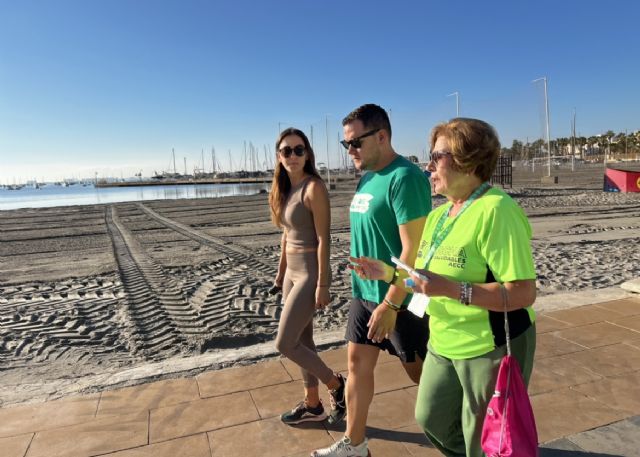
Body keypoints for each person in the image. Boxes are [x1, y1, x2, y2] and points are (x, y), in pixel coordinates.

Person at [351, 118, 537, 457]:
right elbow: (424, 282)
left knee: (484, 436)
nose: (428, 165)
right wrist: (387, 274)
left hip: (488, 344)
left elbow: (523, 293)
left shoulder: (496, 210)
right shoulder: (440, 216)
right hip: (443, 339)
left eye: (437, 156)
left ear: (468, 160)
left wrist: (454, 291)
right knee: (431, 418)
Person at [311, 104, 431, 457]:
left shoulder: (405, 178)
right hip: (364, 292)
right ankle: (356, 444)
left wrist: (392, 304)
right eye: (345, 144)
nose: (349, 151)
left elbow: (414, 251)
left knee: (422, 376)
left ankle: (467, 433)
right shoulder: (367, 176)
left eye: (355, 143)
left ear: (382, 136)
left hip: (401, 299)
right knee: (357, 365)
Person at [269, 127, 346, 426]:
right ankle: (313, 405)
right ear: (279, 156)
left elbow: (325, 239)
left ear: (308, 154)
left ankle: (336, 383)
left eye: (298, 150)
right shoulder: (286, 189)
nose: (293, 155)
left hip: (309, 275)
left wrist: (323, 284)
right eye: (286, 151)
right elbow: (287, 236)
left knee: (284, 343)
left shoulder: (314, 187)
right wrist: (279, 276)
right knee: (304, 340)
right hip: (291, 275)